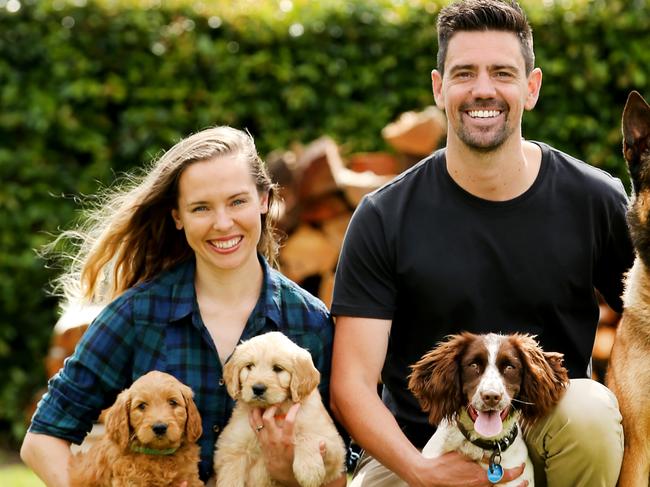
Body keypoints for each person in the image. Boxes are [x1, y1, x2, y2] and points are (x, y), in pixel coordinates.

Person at [329, 1, 633, 487]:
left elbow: (645, 323)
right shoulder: (383, 215)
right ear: (439, 87)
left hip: (543, 433)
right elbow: (351, 384)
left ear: (531, 88)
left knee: (592, 410)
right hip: (416, 446)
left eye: (502, 73)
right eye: (465, 72)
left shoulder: (594, 199)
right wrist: (422, 470)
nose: (483, 89)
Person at [21, 126, 346, 487]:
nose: (223, 224)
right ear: (178, 216)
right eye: (201, 208)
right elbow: (42, 439)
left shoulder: (308, 323)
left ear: (265, 200)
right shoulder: (136, 315)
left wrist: (287, 473)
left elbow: (339, 468)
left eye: (237, 201)